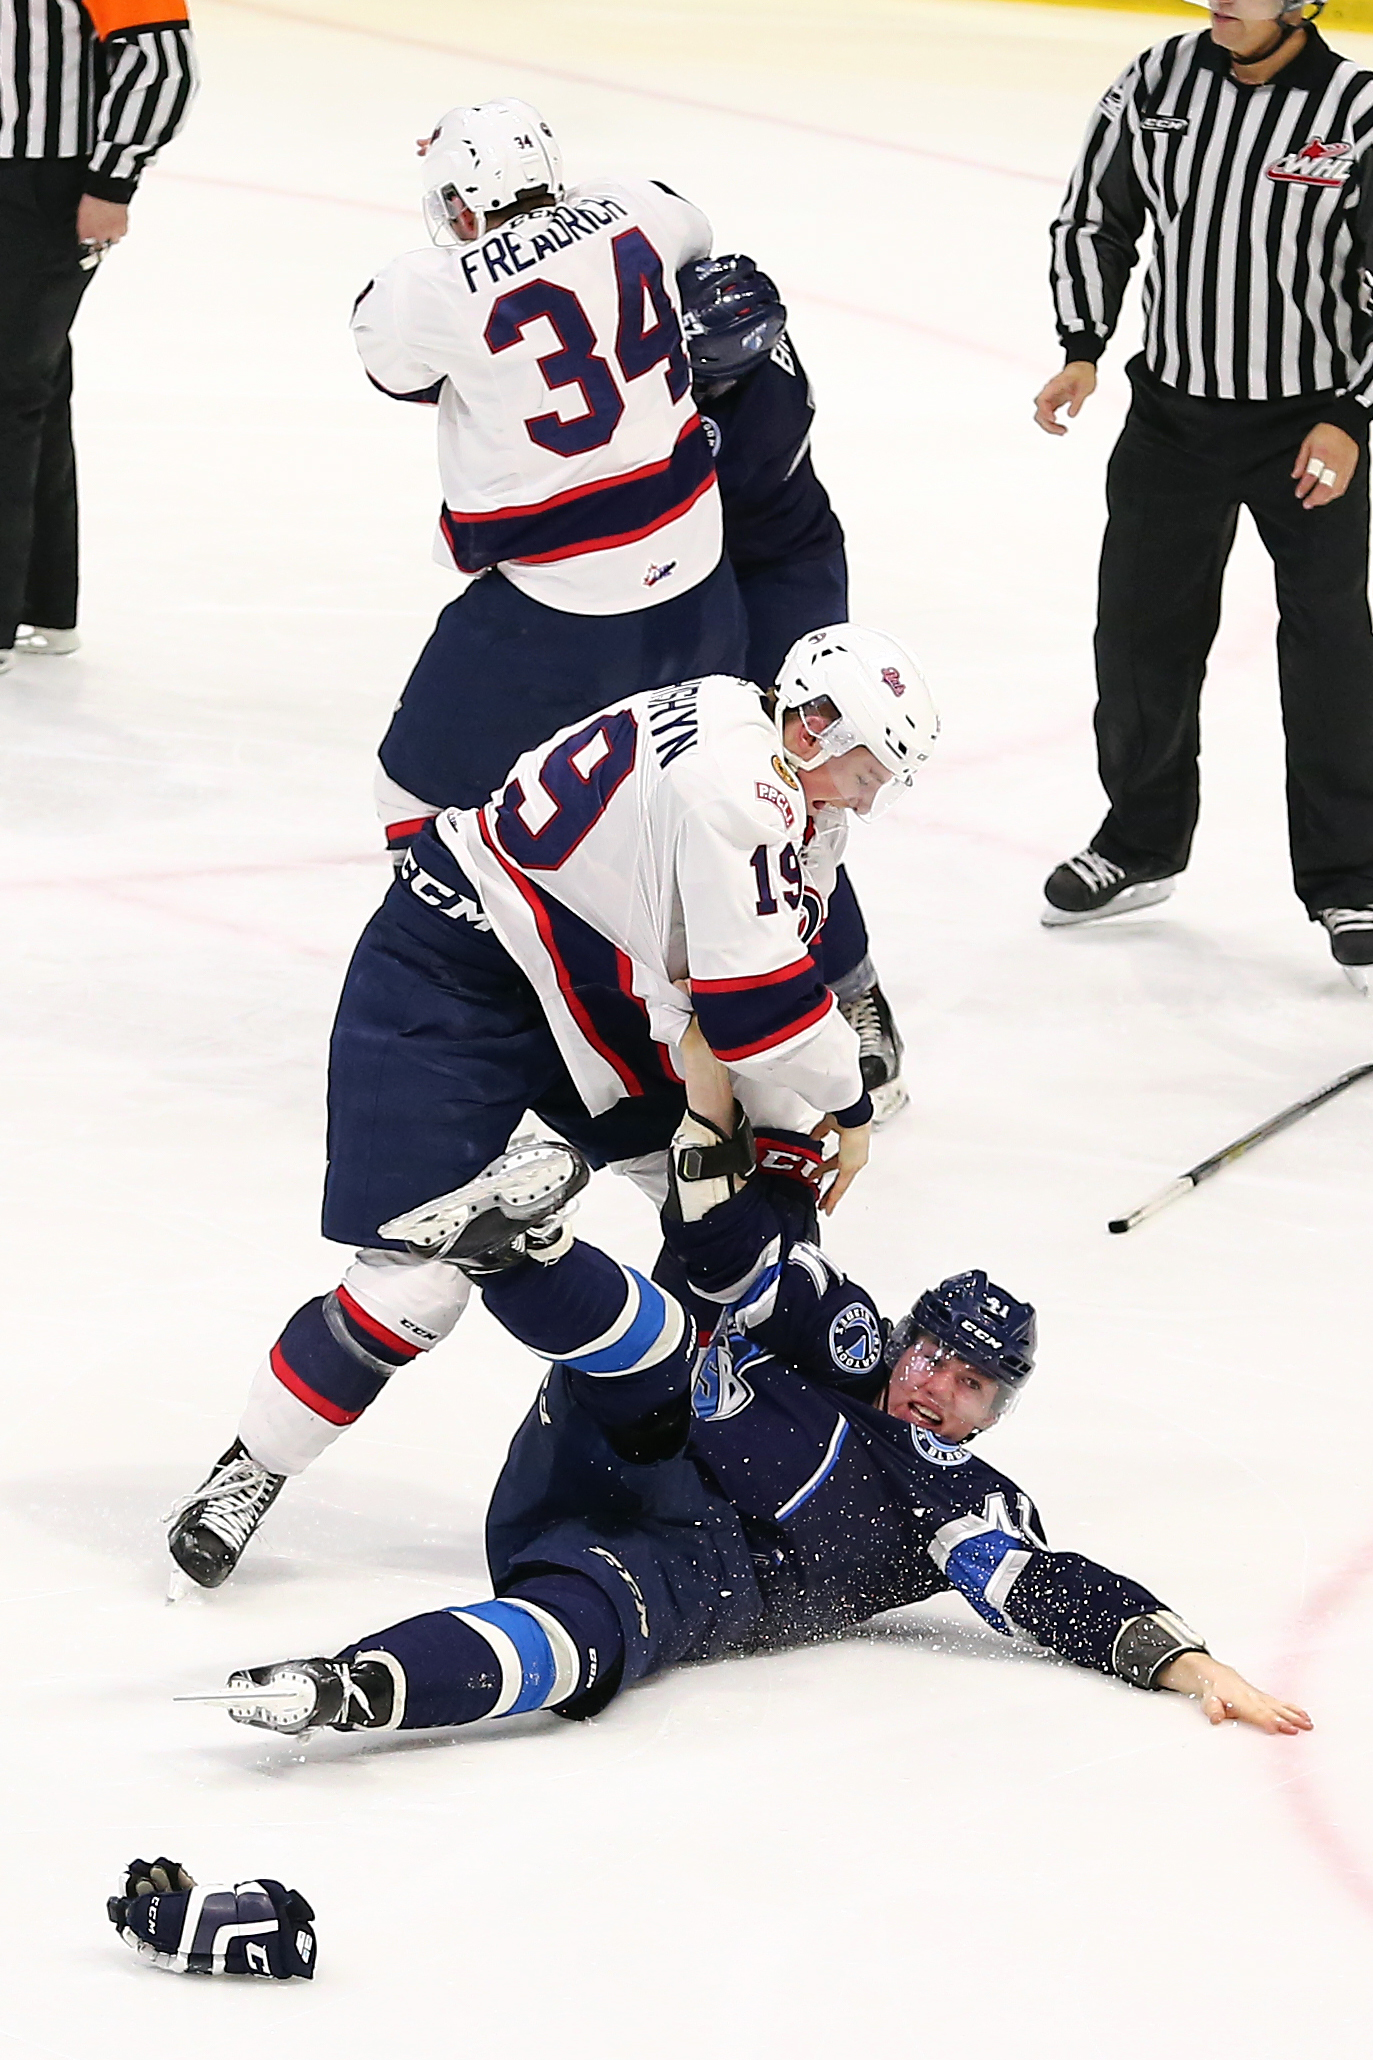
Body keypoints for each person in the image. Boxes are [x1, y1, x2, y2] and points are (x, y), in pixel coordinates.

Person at [192, 1059, 1310, 1746]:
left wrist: (1184, 1659)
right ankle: (518, 1254)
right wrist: (718, 1125)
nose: (936, 1386)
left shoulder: (963, 1497)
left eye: (970, 1384)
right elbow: (734, 1259)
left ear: (990, 1415)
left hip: (694, 1567)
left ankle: (353, 1687)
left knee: (589, 1639)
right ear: (907, 1337)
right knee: (673, 1343)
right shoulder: (846, 1335)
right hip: (615, 1444)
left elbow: (1040, 1586)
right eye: (934, 1355)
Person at [165, 630, 939, 1591]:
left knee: (748, 1193)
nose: (864, 799)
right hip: (458, 970)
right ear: (815, 726)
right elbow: (756, 1010)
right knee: (416, 1282)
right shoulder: (742, 791)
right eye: (864, 774)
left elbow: (759, 972)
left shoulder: (758, 738)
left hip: (593, 982)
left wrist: (764, 1132)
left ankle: (714, 1445)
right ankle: (252, 1467)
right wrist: (850, 1104)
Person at [1035, 0, 1373, 989]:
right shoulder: (1156, 80)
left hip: (1306, 427)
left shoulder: (1354, 111)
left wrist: (1351, 414)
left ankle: (1350, 878)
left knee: (1329, 651)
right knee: (1139, 634)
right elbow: (1094, 215)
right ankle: (1139, 842)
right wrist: (1082, 344)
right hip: (1170, 420)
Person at [354, 96, 747, 832]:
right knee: (675, 811)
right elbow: (694, 233)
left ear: (460, 202)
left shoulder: (429, 289)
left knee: (416, 798)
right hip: (701, 583)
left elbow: (392, 367)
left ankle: (463, 914)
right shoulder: (637, 206)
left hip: (561, 608)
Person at [681, 253, 907, 1119]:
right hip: (696, 566)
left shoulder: (763, 412)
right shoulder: (709, 337)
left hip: (771, 573)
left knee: (793, 784)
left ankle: (851, 985)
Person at [0, 0, 197, 673]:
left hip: (37, 183)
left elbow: (163, 62)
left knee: (10, 390)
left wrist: (112, 180)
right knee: (31, 384)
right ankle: (43, 605)